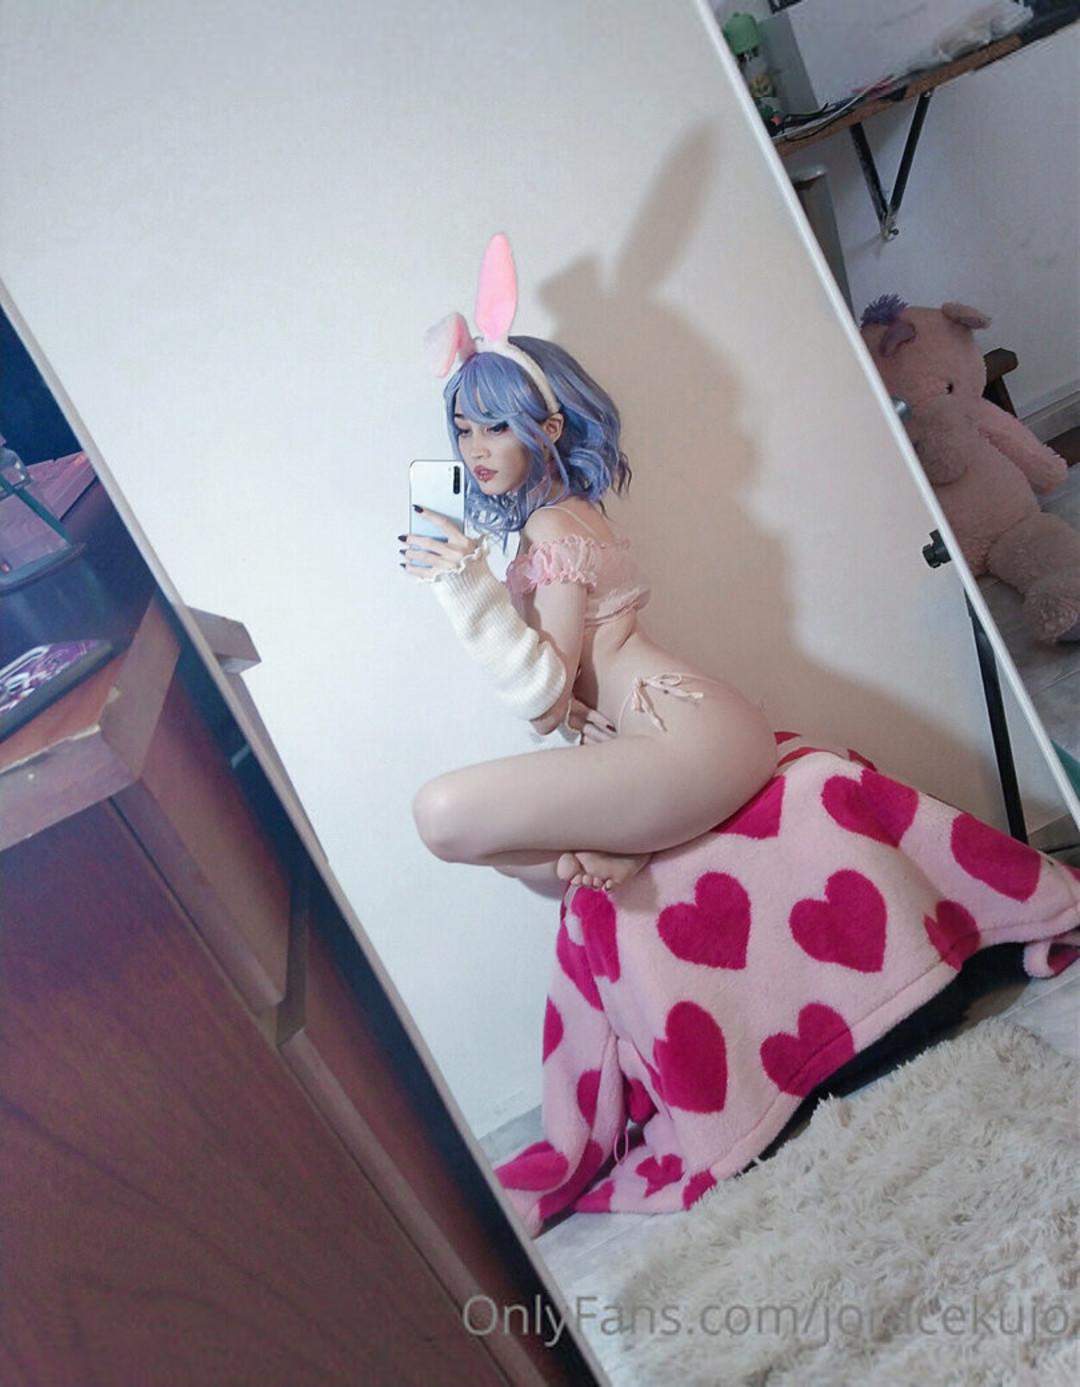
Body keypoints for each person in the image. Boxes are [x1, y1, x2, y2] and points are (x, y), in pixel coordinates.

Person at [401, 235, 776, 894]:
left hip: (689, 742)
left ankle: (631, 842)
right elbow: (567, 690)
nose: (475, 448)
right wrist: (574, 711)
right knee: (521, 858)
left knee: (440, 814)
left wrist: (463, 585)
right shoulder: (567, 514)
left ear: (547, 428)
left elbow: (544, 703)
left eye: (495, 426)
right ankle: (628, 844)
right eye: (464, 428)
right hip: (688, 735)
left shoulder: (551, 526)